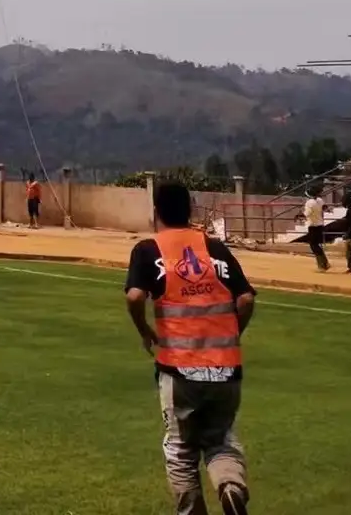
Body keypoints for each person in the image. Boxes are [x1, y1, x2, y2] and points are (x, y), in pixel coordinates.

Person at [125, 182, 255, 515]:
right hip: (227, 367)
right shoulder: (215, 249)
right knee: (220, 439)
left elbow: (135, 295)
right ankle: (230, 487)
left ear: (156, 213)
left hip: (179, 369)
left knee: (181, 450)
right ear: (191, 211)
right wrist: (231, 333)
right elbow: (245, 298)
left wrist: (144, 331)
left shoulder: (149, 249)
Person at [304, 186, 330, 271]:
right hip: (320, 225)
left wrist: (300, 215)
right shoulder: (320, 200)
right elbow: (325, 208)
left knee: (314, 246)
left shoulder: (309, 203)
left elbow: (307, 214)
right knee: (316, 245)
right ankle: (324, 263)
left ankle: (323, 265)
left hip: (313, 226)